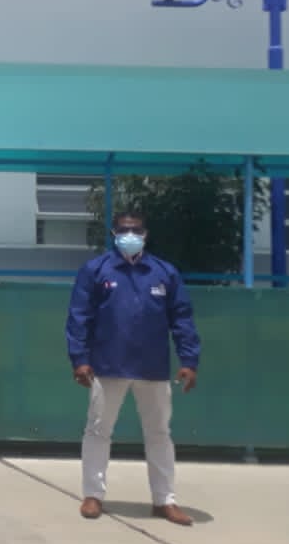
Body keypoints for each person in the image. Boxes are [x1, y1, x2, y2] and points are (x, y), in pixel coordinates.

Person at [67, 210, 201, 527]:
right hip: (107, 365)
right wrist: (80, 359)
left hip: (153, 367)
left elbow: (182, 318)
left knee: (159, 433)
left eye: (136, 230)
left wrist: (189, 361)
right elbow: (79, 317)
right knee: (98, 430)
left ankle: (164, 500)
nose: (130, 235)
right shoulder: (96, 270)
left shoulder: (164, 272)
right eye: (124, 230)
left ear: (145, 234)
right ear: (114, 234)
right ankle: (93, 495)